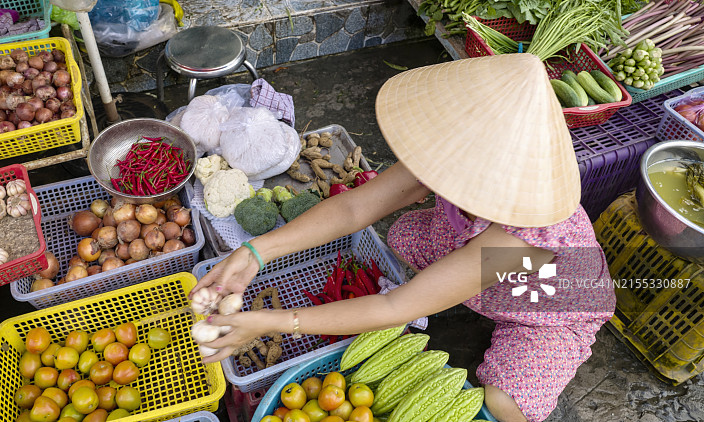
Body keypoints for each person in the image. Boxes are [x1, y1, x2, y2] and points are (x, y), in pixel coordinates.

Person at [192, 53, 616, 422]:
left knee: (505, 402)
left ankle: (514, 327)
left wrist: (276, 323)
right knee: (401, 235)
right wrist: (255, 252)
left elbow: (396, 306)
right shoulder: (455, 153)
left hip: (551, 304)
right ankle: (458, 287)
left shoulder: (522, 236)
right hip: (479, 260)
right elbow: (355, 208)